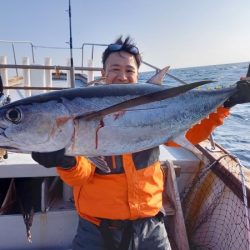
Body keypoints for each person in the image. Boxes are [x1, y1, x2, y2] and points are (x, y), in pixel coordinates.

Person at [32, 36, 250, 250]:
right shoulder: (84, 112)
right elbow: (82, 175)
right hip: (97, 229)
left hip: (151, 225)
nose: (122, 76)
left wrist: (227, 103)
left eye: (129, 71)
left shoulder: (156, 104)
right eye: (115, 69)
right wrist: (66, 161)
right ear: (103, 73)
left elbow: (192, 135)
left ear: (137, 75)